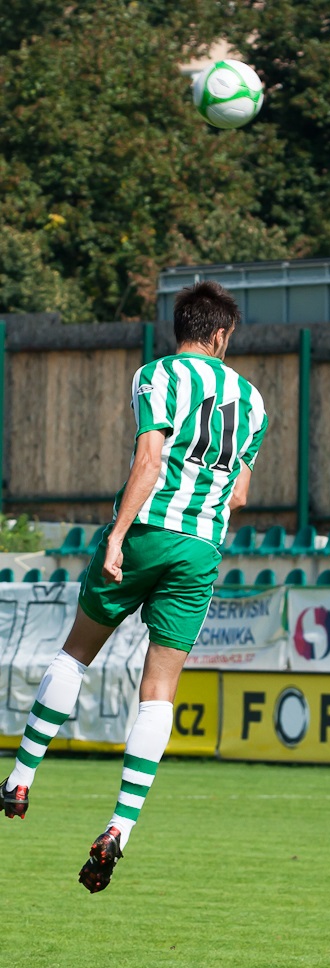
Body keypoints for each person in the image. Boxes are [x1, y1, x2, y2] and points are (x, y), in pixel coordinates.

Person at [0, 280, 268, 893]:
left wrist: (118, 536)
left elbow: (150, 457)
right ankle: (120, 826)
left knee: (76, 653)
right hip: (200, 549)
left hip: (148, 527)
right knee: (159, 693)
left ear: (182, 329)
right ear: (222, 333)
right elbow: (242, 494)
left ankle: (20, 779)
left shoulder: (157, 375)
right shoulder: (252, 401)